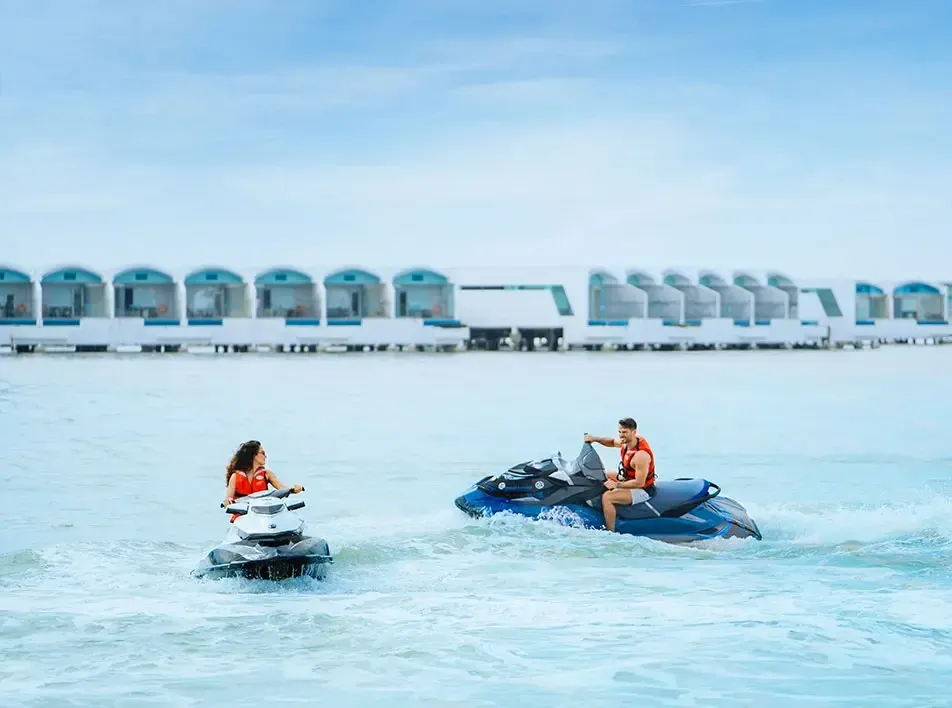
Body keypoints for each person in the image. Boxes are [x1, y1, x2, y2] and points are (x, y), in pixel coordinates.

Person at [583, 417, 656, 533]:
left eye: (625, 432)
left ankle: (610, 532)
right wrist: (594, 439)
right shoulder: (626, 443)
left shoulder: (641, 456)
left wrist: (616, 485)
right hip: (628, 478)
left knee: (607, 497)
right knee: (603, 476)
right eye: (620, 432)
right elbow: (612, 442)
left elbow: (639, 483)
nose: (621, 435)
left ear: (634, 432)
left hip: (643, 489)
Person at [222, 440, 303, 521]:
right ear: (253, 455)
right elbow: (228, 499)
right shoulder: (235, 477)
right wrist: (228, 501)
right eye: (262, 453)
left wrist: (293, 489)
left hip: (263, 516)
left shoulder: (267, 474)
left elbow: (282, 488)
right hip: (243, 517)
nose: (266, 456)